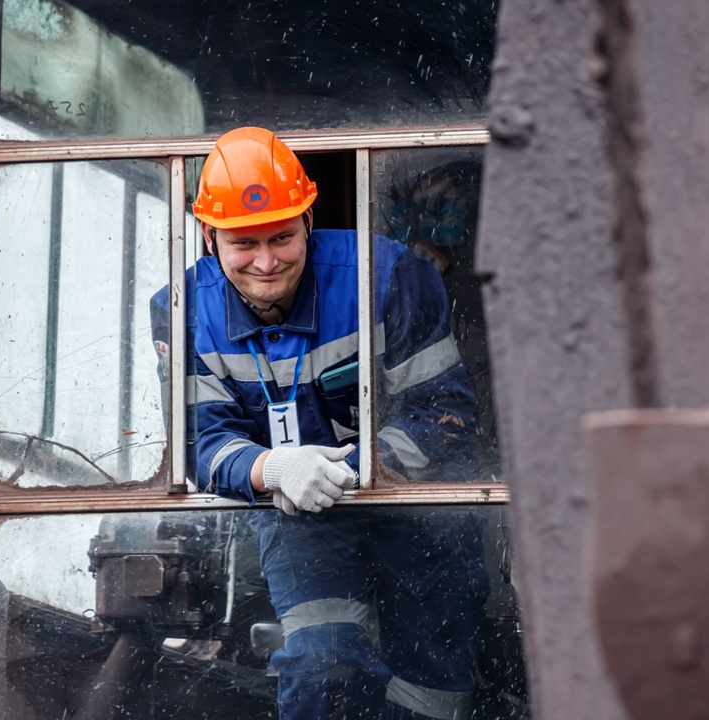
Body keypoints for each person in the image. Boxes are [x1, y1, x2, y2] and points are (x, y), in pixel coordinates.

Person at [152, 126, 489, 719]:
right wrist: (270, 466)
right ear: (209, 237)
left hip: (422, 510)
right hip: (297, 516)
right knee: (322, 668)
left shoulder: (387, 275)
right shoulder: (179, 311)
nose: (265, 261)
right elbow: (199, 442)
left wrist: (352, 471)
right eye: (242, 243)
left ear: (309, 221)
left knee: (435, 693)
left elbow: (445, 411)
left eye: (282, 236)